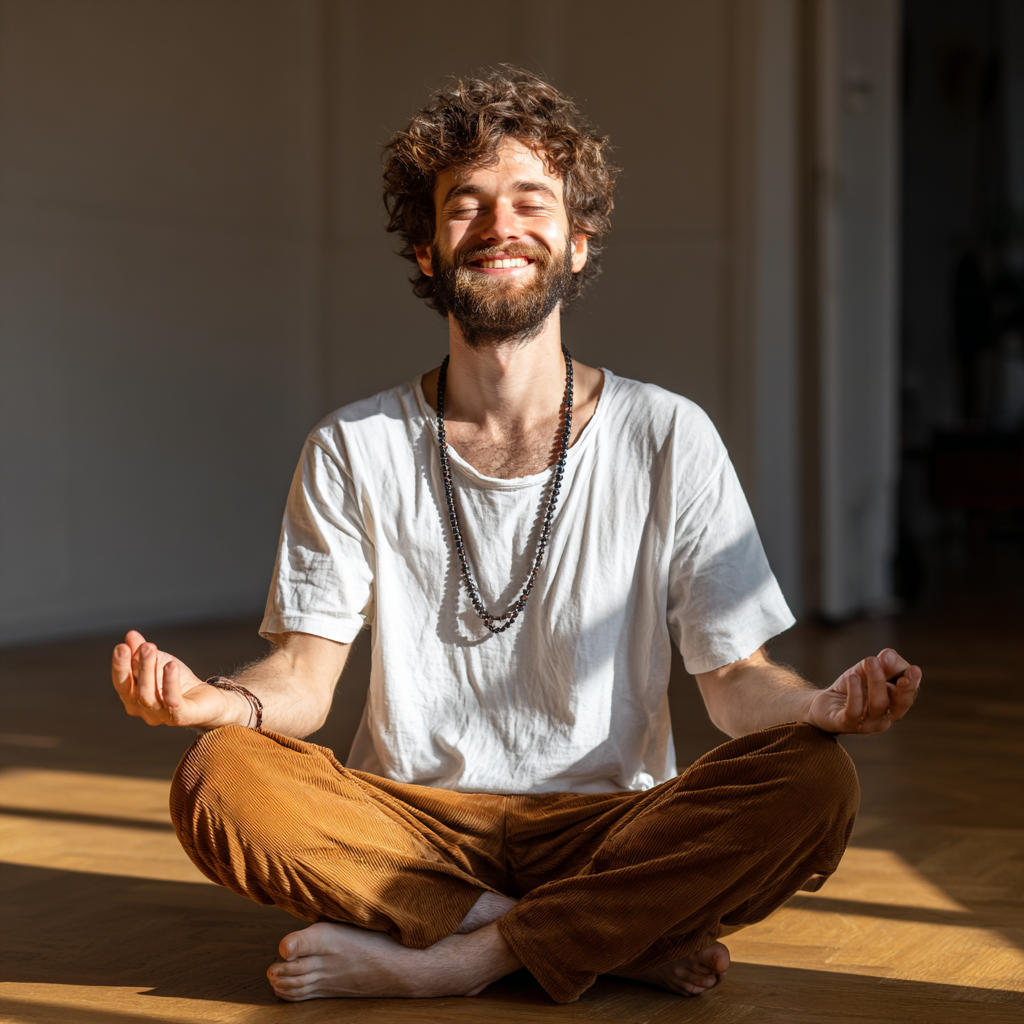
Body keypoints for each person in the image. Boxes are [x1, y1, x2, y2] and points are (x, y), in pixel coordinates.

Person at [110, 68, 922, 1005]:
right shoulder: (351, 445)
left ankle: (456, 957)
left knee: (816, 787)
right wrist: (214, 702)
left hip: (611, 825)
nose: (501, 227)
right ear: (426, 248)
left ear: (577, 245)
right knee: (219, 779)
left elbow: (737, 685)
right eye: (468, 205)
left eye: (531, 202)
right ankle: (597, 935)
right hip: (408, 821)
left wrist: (821, 707)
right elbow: (300, 680)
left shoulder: (668, 434)